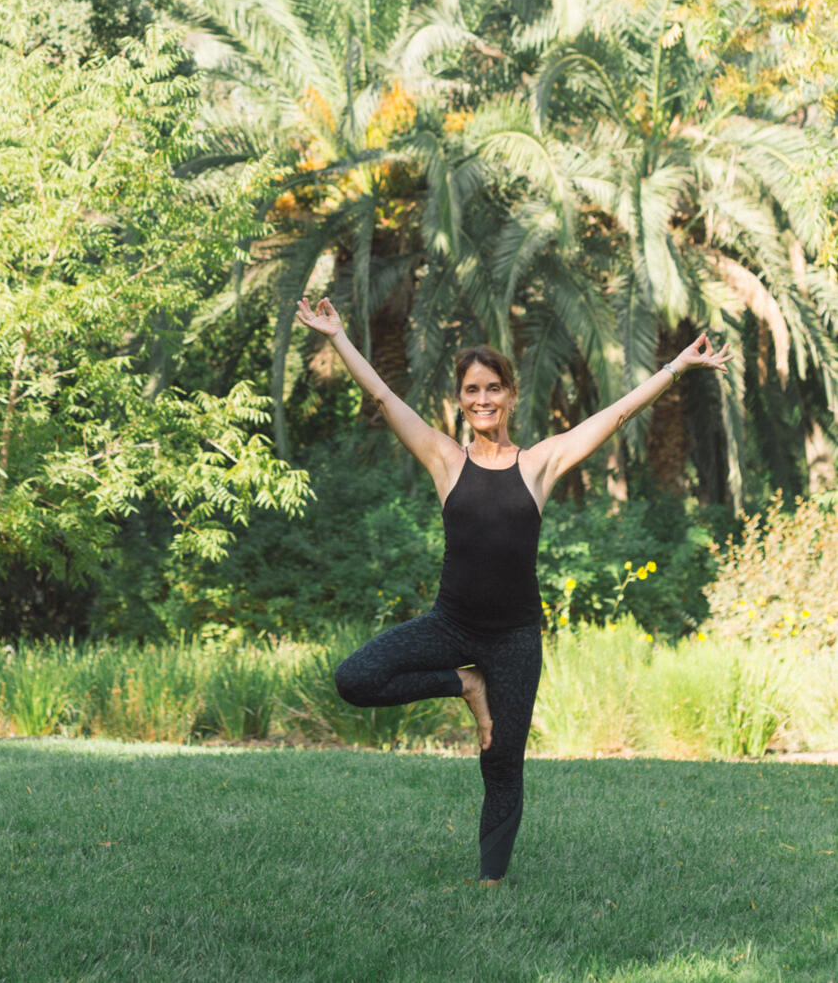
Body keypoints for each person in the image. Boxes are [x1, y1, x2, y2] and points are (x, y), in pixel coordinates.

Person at [295, 295, 732, 887]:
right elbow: (382, 397)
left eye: (492, 388)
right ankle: (464, 684)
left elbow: (616, 416)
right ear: (459, 399)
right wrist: (339, 335)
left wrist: (675, 368)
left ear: (509, 395)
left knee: (501, 760)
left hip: (516, 637)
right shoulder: (445, 460)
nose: (482, 400)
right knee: (355, 679)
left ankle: (489, 883)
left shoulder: (538, 465)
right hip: (449, 625)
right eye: (472, 390)